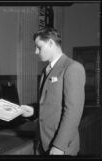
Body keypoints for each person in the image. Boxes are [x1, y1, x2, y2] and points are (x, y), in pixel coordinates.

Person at [21, 27, 86, 156]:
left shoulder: (72, 68)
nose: (36, 51)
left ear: (51, 43)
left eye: (39, 47)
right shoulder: (46, 70)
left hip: (60, 147)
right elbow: (50, 104)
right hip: (43, 142)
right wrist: (33, 111)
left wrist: (59, 146)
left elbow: (73, 112)